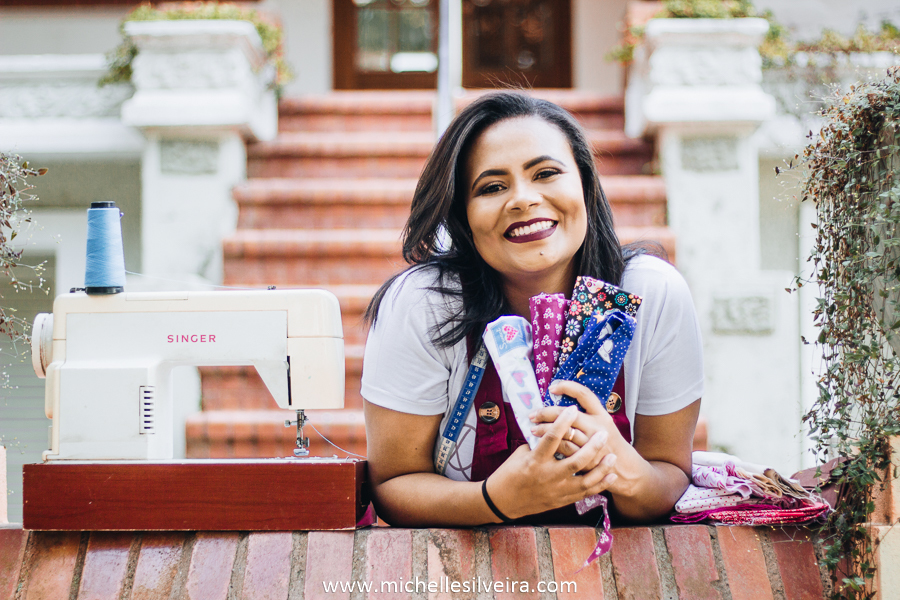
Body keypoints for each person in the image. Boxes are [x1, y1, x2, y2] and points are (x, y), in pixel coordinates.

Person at [361, 91, 703, 527]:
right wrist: (498, 500)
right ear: (463, 215)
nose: (523, 199)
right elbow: (393, 484)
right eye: (492, 187)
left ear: (585, 184)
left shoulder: (651, 294)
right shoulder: (423, 303)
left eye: (545, 173)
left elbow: (670, 476)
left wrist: (626, 471)